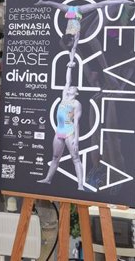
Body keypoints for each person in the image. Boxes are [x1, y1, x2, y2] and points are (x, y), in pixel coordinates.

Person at [36, 0, 132, 63]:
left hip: (75, 11)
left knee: (100, 4)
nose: (72, 44)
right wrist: (71, 61)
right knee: (53, 4)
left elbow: (73, 49)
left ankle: (121, 1)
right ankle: (42, 2)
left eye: (70, 43)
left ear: (70, 40)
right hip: (71, 10)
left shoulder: (75, 35)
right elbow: (72, 49)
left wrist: (71, 61)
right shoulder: (68, 34)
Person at [37, 61, 84, 190]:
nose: (71, 87)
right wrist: (69, 67)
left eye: (73, 88)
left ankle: (80, 184)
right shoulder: (64, 97)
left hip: (69, 131)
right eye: (70, 87)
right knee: (55, 157)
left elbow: (76, 122)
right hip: (59, 131)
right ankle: (48, 179)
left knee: (75, 158)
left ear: (76, 92)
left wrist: (76, 140)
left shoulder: (76, 103)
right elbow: (67, 81)